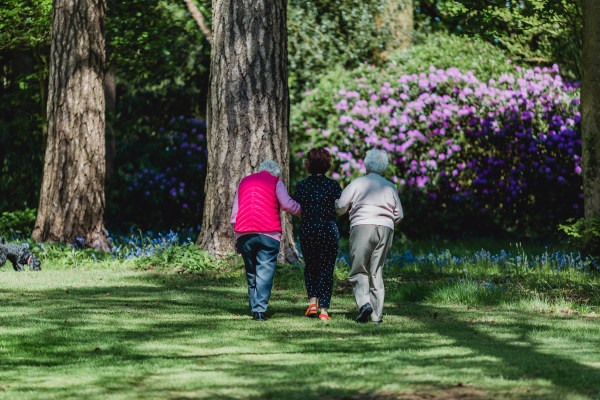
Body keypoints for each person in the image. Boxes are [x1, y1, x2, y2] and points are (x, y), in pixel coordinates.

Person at [335, 149, 403, 323]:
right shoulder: (390, 186)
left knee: (359, 269)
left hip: (362, 226)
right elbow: (399, 214)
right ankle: (376, 316)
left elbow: (341, 207)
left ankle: (364, 303)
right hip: (386, 229)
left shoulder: (357, 183)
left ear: (366, 164)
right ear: (384, 167)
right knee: (376, 271)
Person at [231, 160, 301, 321]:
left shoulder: (244, 182)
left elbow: (235, 214)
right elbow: (287, 205)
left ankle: (254, 307)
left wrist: (236, 238)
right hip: (268, 233)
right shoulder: (276, 182)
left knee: (251, 271)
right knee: (265, 271)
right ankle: (260, 310)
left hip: (244, 233)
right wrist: (304, 211)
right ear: (275, 173)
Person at [293, 147, 342, 320]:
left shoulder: (302, 186)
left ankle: (312, 302)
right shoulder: (333, 185)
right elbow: (339, 207)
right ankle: (324, 310)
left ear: (308, 164)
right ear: (327, 164)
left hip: (308, 229)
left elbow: (297, 208)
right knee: (326, 269)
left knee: (311, 266)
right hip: (327, 229)